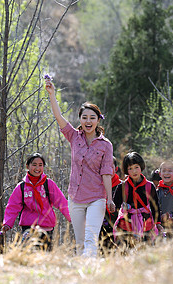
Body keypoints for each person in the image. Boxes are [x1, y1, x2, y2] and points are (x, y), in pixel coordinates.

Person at [45, 75, 114, 257]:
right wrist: (52, 94)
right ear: (80, 119)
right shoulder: (74, 137)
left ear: (98, 120)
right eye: (85, 118)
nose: (88, 121)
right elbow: (58, 117)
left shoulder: (105, 145)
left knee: (91, 238)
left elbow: (107, 173)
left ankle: (89, 268)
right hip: (75, 197)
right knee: (80, 242)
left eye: (92, 118)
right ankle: (82, 276)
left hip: (97, 197)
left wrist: (110, 198)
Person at [0, 153, 71, 250]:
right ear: (27, 166)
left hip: (47, 227)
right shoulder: (22, 187)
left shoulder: (48, 184)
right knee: (28, 252)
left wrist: (72, 218)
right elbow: (13, 206)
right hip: (28, 227)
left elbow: (61, 202)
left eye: (40, 165)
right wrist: (7, 224)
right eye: (34, 164)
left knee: (44, 254)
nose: (37, 168)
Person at [113, 152, 162, 245]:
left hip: (145, 223)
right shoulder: (122, 187)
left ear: (141, 166)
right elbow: (116, 205)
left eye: (136, 167)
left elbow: (155, 206)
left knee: (145, 249)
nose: (134, 171)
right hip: (126, 224)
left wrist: (158, 223)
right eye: (130, 168)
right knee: (124, 249)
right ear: (126, 170)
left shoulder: (149, 186)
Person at [100, 156, 122, 251]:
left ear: (116, 169)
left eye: (110, 167)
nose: (106, 170)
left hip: (118, 227)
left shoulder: (122, 186)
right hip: (101, 227)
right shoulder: (96, 187)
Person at [156, 161, 173, 234]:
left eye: (170, 171)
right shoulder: (156, 192)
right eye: (164, 171)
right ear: (160, 174)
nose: (166, 173)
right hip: (161, 228)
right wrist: (161, 216)